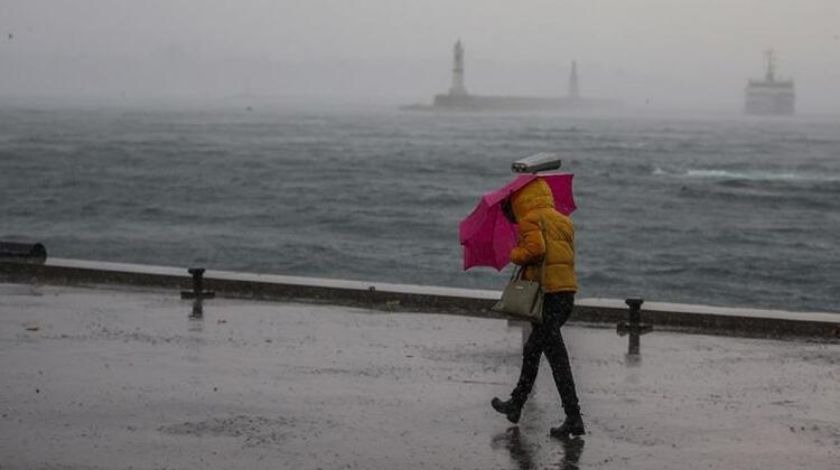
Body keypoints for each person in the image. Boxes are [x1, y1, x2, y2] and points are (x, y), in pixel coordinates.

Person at [492, 177, 585, 438]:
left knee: (540, 351)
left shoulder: (531, 220)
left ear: (521, 200)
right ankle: (519, 405)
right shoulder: (563, 220)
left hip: (547, 296)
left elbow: (536, 250)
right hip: (565, 294)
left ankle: (569, 415)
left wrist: (515, 253)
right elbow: (561, 255)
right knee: (546, 354)